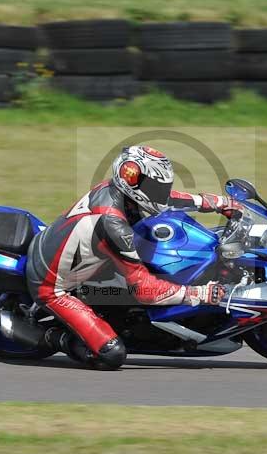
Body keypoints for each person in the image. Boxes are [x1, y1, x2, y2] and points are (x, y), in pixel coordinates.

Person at [26, 145, 243, 370]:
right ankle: (50, 336)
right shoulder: (113, 223)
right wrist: (198, 294)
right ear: (132, 181)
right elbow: (144, 290)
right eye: (156, 187)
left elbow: (168, 200)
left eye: (162, 186)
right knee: (111, 355)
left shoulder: (119, 191)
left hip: (84, 259)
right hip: (52, 286)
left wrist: (219, 203)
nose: (162, 192)